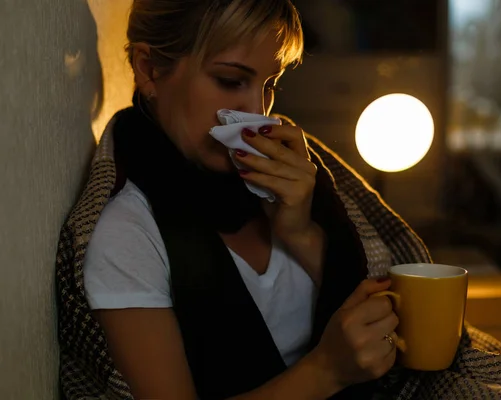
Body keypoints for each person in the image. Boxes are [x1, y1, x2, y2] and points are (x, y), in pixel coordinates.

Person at [72, 1, 416, 399]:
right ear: (149, 68)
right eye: (231, 80)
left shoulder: (294, 186)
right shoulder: (128, 235)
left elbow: (384, 307)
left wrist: (300, 232)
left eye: (270, 85)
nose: (258, 111)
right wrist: (326, 371)